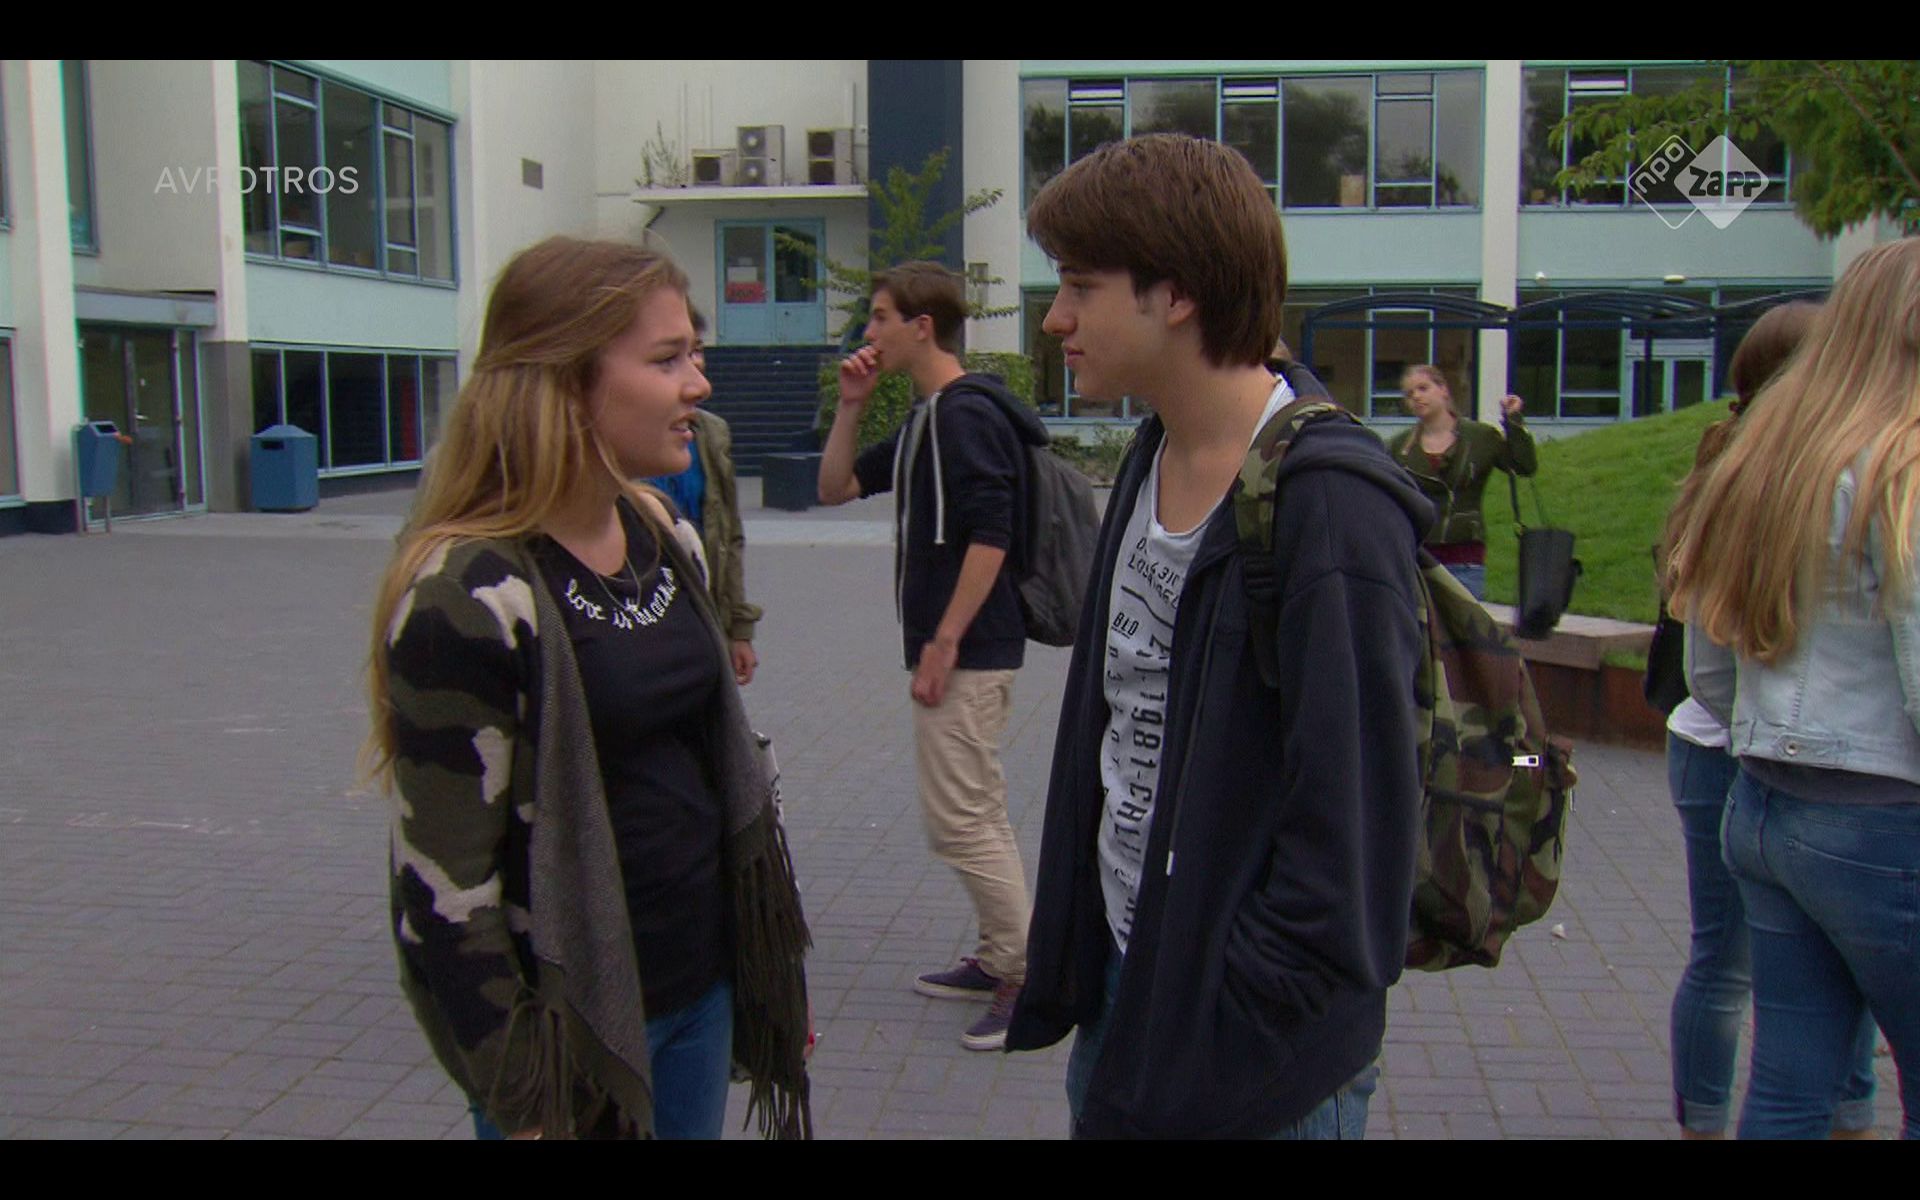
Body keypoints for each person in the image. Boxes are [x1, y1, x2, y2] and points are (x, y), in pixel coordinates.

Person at [1004, 133, 1431, 1139]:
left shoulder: (1330, 505)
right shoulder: (1155, 448)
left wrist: (1250, 1007)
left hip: (1249, 1049)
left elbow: (1358, 824)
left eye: (1081, 286)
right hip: (1130, 987)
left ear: (1178, 293)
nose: (1057, 318)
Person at [365, 236, 812, 1140]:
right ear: (566, 383)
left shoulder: (664, 534)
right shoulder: (469, 596)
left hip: (700, 988)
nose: (699, 384)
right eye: (668, 359)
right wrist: (523, 1102)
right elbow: (445, 895)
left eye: (695, 355)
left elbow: (707, 763)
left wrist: (763, 971)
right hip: (575, 1029)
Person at [1669, 237, 1920, 1139]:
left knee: (1787, 1087)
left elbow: (1710, 666)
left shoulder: (1765, 465)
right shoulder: (1902, 464)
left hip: (1768, 803)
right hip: (1886, 815)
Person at [815, 260, 1048, 1052]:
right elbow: (835, 487)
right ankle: (999, 955)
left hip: (969, 651)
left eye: (881, 317)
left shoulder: (964, 417)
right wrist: (851, 405)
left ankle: (1025, 974)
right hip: (959, 647)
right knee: (973, 808)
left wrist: (944, 643)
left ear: (922, 327)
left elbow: (993, 534)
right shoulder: (929, 417)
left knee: (960, 820)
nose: (869, 332)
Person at [642, 306, 763, 686]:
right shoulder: (619, 445)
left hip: (701, 615)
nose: (695, 368)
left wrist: (738, 629)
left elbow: (729, 536)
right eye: (670, 357)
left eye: (696, 350)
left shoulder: (712, 434)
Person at [1386, 365, 1536, 600]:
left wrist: (1514, 420)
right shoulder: (1399, 446)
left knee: (1465, 622)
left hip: (1465, 559)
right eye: (1409, 394)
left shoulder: (1480, 437)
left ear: (1443, 389)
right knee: (1417, 623)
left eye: (1423, 388)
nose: (1416, 397)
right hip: (1415, 558)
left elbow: (1524, 465)